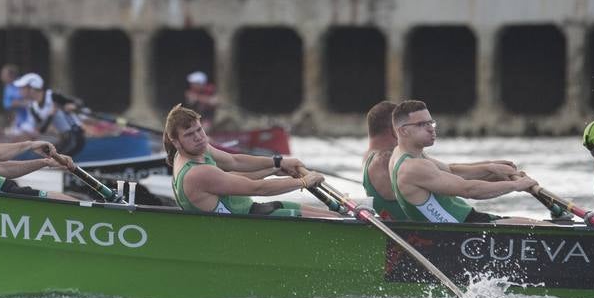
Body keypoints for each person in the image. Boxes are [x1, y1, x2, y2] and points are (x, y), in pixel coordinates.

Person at [364, 101, 522, 221]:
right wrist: (516, 185)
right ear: (397, 129)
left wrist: (491, 168)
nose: (430, 129)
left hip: (450, 221)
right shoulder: (385, 161)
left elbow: (450, 170)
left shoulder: (389, 155)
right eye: (420, 125)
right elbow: (467, 189)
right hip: (435, 232)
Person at [164, 105, 331, 217]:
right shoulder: (196, 173)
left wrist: (276, 164)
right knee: (333, 222)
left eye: (199, 130)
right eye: (189, 135)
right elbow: (258, 188)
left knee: (334, 217)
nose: (198, 137)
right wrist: (304, 181)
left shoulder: (198, 150)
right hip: (245, 226)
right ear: (176, 141)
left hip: (254, 211)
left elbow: (235, 162)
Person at [11, 72, 86, 155]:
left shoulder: (53, 96)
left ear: (32, 88)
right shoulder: (32, 107)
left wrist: (73, 105)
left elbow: (79, 102)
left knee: (58, 159)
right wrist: (51, 114)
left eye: (22, 88)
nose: (19, 91)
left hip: (75, 137)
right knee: (48, 156)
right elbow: (42, 129)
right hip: (63, 139)